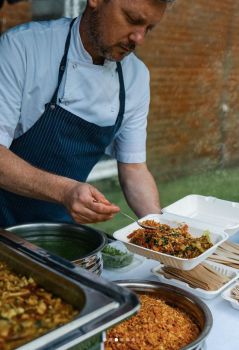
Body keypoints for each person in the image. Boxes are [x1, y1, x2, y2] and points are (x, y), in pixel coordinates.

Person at [0, 0, 174, 228]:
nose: (138, 38)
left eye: (148, 28)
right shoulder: (22, 47)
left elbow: (134, 168)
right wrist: (65, 191)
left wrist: (160, 229)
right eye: (132, 20)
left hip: (60, 233)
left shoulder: (136, 77)